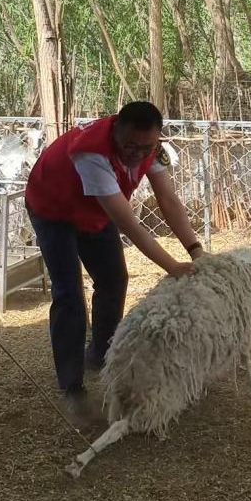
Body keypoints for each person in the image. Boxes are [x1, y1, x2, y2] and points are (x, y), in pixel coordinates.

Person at [25, 101, 205, 422]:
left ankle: (102, 354)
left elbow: (168, 199)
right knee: (69, 294)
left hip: (94, 211)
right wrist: (173, 267)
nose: (136, 153)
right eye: (129, 146)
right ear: (116, 131)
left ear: (157, 139)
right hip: (53, 208)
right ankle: (72, 386)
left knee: (114, 280)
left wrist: (194, 249)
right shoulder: (91, 153)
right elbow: (129, 224)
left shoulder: (151, 148)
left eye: (146, 146)